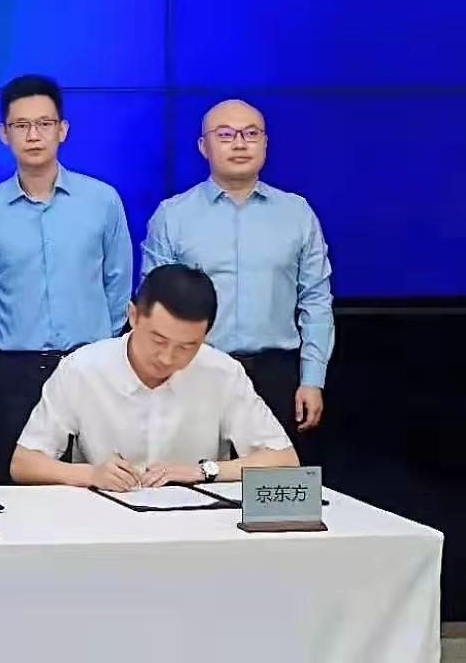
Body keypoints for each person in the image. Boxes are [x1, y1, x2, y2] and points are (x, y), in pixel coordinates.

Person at [141, 99, 334, 463]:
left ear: (265, 143)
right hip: (195, 370)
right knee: (190, 478)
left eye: (251, 133)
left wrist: (312, 379)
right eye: (226, 135)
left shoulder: (297, 213)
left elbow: (316, 301)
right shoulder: (173, 216)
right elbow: (155, 308)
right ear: (204, 146)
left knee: (275, 485)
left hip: (277, 375)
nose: (240, 143)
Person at [0, 75, 132, 483]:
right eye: (21, 125)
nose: (33, 135)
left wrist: (97, 344)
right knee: (14, 486)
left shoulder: (102, 201)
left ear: (62, 130)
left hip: (91, 367)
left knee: (102, 483)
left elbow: (118, 284)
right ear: (4, 133)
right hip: (14, 373)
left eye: (44, 123)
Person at [10, 264, 298, 491]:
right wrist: (91, 474)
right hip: (103, 521)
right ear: (133, 316)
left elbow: (285, 460)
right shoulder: (82, 368)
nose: (167, 358)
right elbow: (23, 463)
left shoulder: (222, 372)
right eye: (158, 340)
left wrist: (204, 471)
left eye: (187, 347)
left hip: (197, 523)